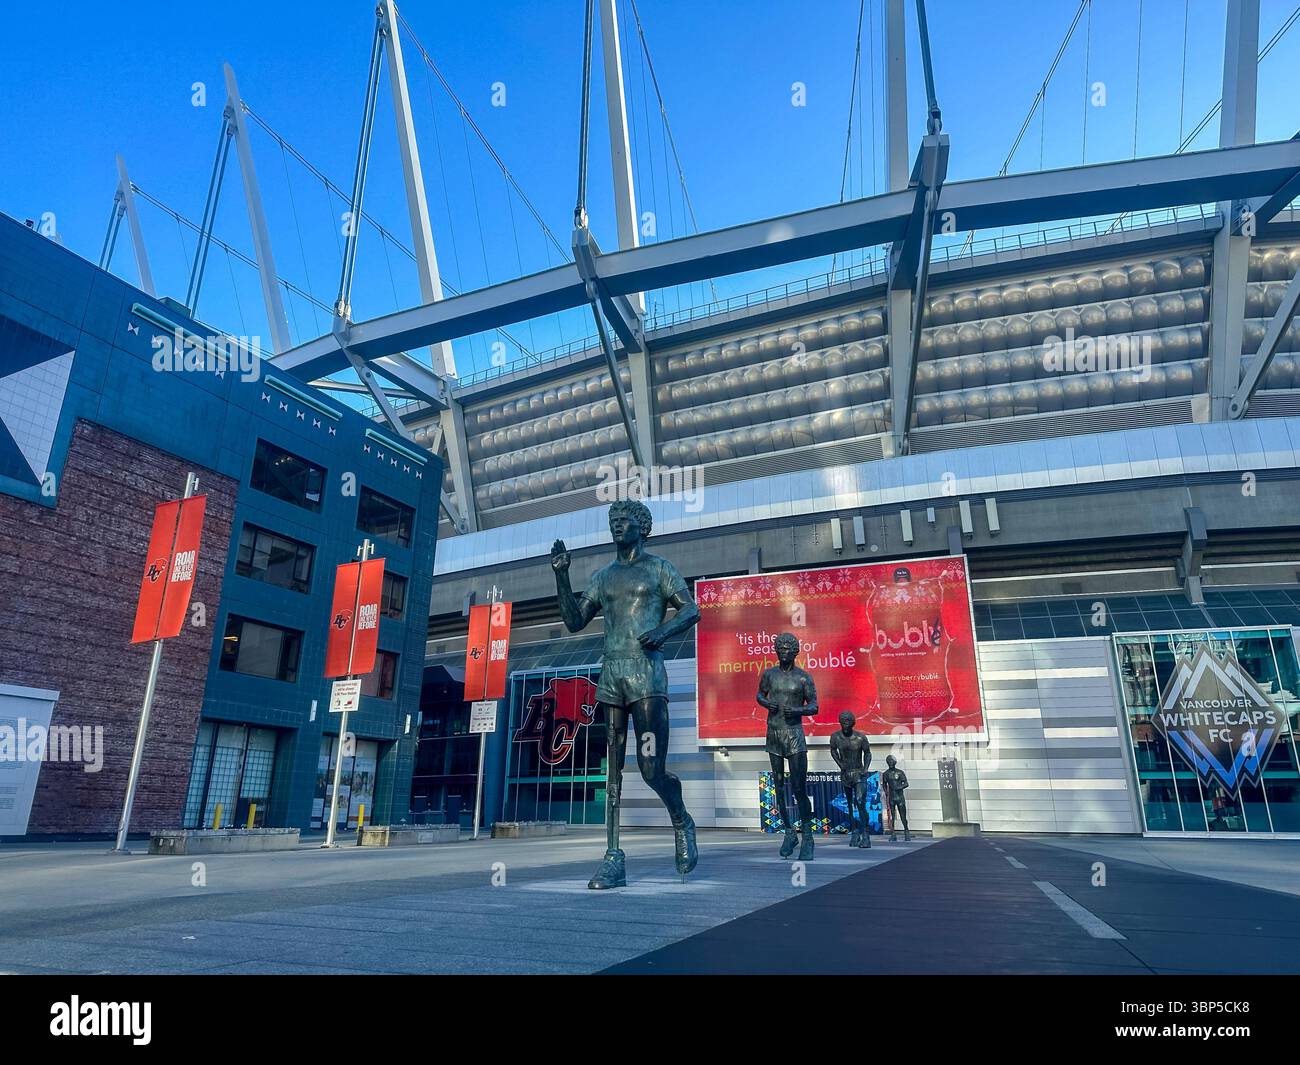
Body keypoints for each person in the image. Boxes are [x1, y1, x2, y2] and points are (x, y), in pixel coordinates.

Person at [551, 500, 699, 889]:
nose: (617, 525)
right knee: (612, 771)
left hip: (647, 675)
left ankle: (681, 818)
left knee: (651, 768)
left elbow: (690, 610)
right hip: (612, 675)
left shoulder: (659, 569)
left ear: (643, 527)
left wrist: (662, 633)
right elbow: (573, 620)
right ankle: (613, 857)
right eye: (613, 521)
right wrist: (562, 577)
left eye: (625, 520)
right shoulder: (603, 576)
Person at [756, 632, 820, 861]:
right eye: (779, 649)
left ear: (795, 652)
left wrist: (799, 711)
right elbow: (759, 695)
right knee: (778, 785)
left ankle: (808, 836)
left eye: (787, 649)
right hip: (773, 732)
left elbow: (814, 706)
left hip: (794, 734)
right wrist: (767, 703)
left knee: (798, 787)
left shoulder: (803, 678)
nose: (783, 653)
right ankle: (789, 832)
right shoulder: (769, 675)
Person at [829, 711, 871, 847]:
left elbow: (868, 753)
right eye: (843, 720)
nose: (846, 722)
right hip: (846, 774)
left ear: (853, 722)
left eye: (848, 720)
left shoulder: (860, 737)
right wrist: (840, 764)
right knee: (850, 805)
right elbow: (833, 750)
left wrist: (865, 768)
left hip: (859, 773)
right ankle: (854, 832)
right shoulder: (835, 737)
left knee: (860, 802)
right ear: (840, 722)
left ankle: (865, 835)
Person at [882, 754, 911, 842]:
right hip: (891, 797)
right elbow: (884, 784)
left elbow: (906, 783)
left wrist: (899, 787)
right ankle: (893, 833)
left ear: (895, 762)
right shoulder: (886, 774)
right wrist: (886, 792)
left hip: (900, 797)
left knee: (903, 815)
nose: (890, 763)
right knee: (892, 816)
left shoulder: (900, 772)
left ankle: (906, 832)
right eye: (888, 762)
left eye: (891, 761)